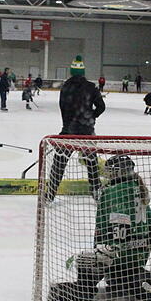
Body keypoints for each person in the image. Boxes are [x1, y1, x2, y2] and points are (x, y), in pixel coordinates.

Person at [46, 155, 151, 301]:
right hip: (138, 255)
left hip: (121, 252)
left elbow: (121, 221)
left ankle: (82, 296)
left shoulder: (116, 191)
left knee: (84, 260)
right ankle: (134, 284)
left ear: (119, 172)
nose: (108, 174)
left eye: (111, 171)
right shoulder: (137, 188)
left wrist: (112, 247)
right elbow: (149, 221)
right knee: (117, 276)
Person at [46, 55, 105, 203]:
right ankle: (96, 190)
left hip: (68, 131)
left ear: (71, 72)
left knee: (59, 164)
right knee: (92, 163)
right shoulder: (91, 87)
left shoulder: (66, 87)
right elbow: (101, 107)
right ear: (83, 72)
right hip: (86, 132)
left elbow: (63, 107)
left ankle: (50, 194)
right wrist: (90, 116)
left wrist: (68, 123)